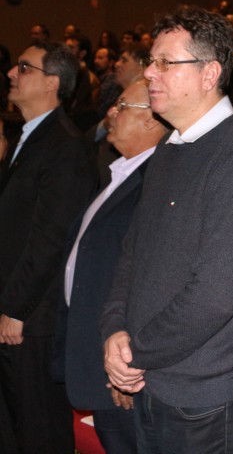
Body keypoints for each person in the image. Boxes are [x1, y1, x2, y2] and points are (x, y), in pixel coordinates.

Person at [101, 6, 233, 454]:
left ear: (210, 74)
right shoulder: (170, 146)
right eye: (151, 60)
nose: (149, 72)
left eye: (166, 62)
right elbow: (133, 251)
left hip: (203, 395)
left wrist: (135, 354)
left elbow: (215, 296)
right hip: (152, 376)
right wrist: (115, 329)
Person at [56, 81, 168, 454]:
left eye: (122, 106)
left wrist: (131, 366)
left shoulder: (157, 181)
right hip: (100, 350)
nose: (111, 113)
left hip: (123, 366)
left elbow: (152, 278)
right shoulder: (120, 172)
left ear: (152, 120)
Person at [0, 41, 97, 453]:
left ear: (52, 82)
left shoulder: (65, 146)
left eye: (24, 67)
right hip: (13, 305)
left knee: (38, 428)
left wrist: (15, 308)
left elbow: (49, 239)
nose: (11, 74)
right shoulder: (27, 138)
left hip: (32, 319)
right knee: (9, 425)